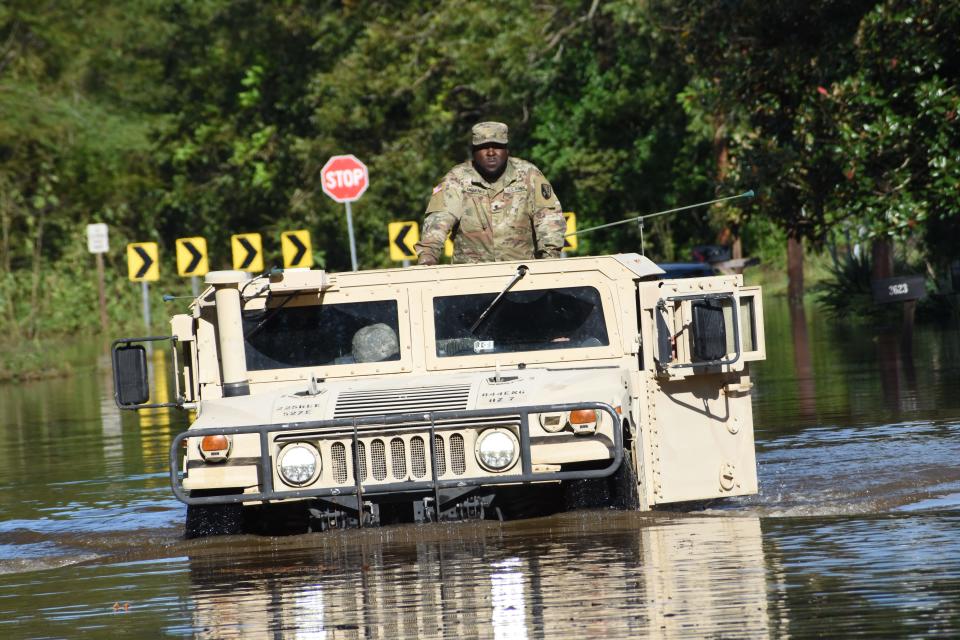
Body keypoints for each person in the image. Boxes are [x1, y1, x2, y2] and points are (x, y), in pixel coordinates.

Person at [415, 121, 566, 265]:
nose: (491, 152)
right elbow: (438, 221)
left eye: (498, 146)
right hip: (471, 277)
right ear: (474, 152)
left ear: (507, 150)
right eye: (484, 147)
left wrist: (549, 259)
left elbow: (549, 219)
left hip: (522, 275)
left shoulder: (529, 175)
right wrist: (428, 259)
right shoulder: (456, 179)